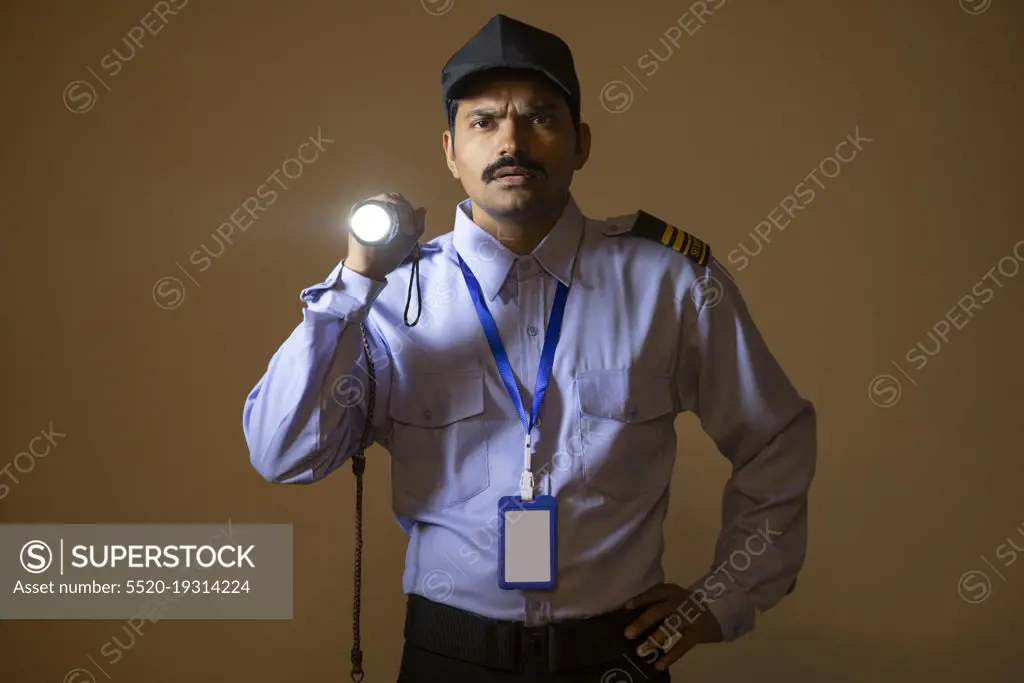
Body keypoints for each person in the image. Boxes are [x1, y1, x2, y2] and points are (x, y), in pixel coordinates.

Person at [243, 13, 817, 683]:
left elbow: (775, 436)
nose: (511, 140)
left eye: (540, 117)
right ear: (450, 151)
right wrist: (352, 286)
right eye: (483, 122)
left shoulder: (670, 282)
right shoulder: (391, 296)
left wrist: (726, 595)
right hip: (447, 657)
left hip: (615, 656)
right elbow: (283, 453)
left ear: (582, 144)